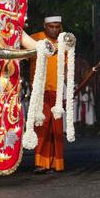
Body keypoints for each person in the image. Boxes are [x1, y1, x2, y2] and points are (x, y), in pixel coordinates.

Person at [28, 15, 66, 173]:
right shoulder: (34, 39)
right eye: (52, 27)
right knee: (42, 125)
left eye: (58, 27)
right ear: (45, 26)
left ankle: (56, 163)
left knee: (56, 128)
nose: (55, 30)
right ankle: (41, 163)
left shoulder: (65, 40)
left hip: (58, 91)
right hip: (40, 90)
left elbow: (68, 66)